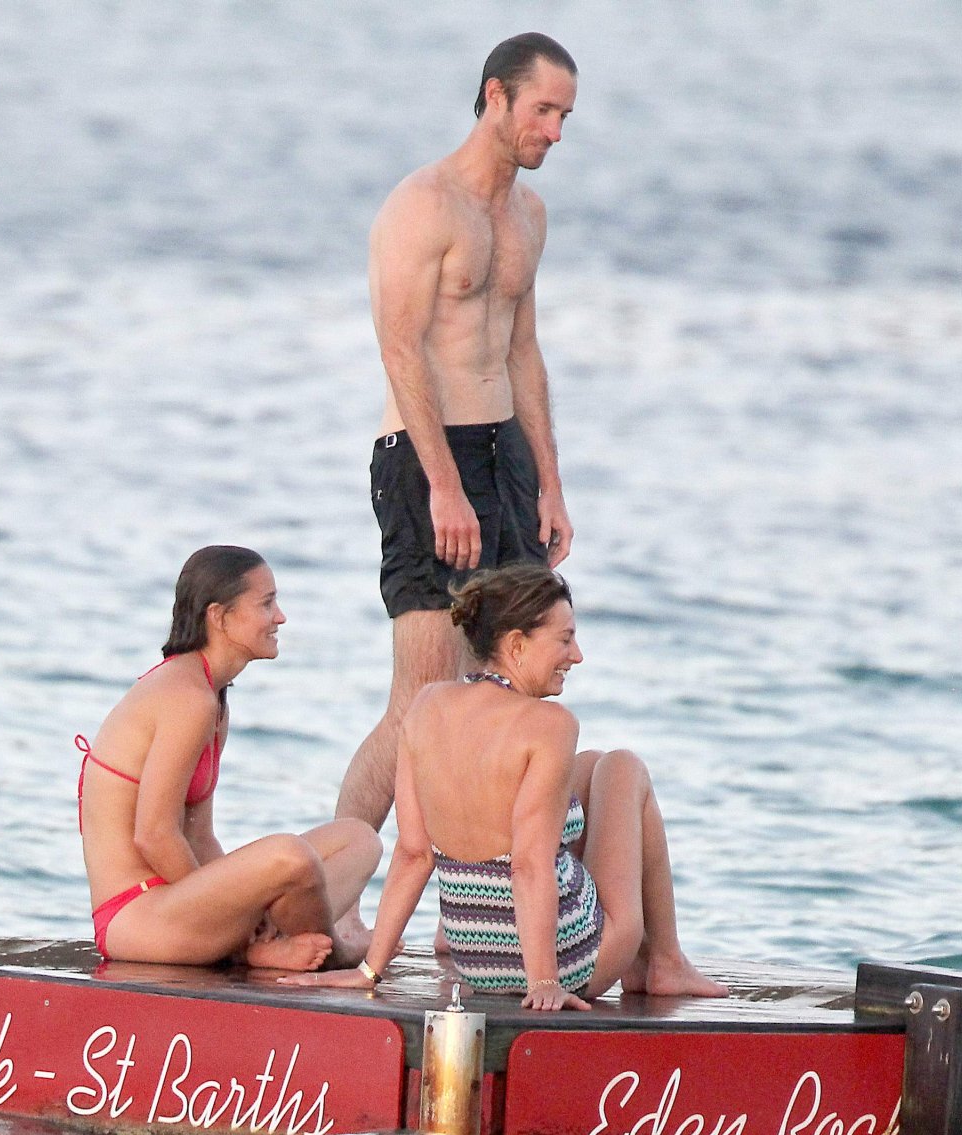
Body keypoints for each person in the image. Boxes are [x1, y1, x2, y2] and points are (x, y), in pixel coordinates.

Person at [335, 33, 581, 832]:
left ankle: (471, 891)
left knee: (503, 695)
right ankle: (333, 873)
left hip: (506, 457)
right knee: (422, 699)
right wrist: (443, 485)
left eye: (565, 116)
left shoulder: (527, 215)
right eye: (543, 110)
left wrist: (548, 483)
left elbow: (522, 351)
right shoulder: (423, 205)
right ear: (495, 96)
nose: (554, 131)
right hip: (424, 455)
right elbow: (400, 348)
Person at [288, 564, 727, 1011]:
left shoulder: (427, 706)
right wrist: (544, 982)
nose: (577, 656)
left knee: (590, 766)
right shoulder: (550, 725)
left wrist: (370, 971)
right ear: (516, 645)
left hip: (477, 961)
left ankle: (645, 961)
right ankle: (665, 961)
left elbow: (414, 854)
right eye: (565, 640)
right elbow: (529, 865)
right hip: (571, 959)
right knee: (622, 767)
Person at [76, 545, 381, 968]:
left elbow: (200, 835)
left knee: (358, 840)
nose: (280, 617)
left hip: (176, 905)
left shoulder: (212, 696)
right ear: (219, 617)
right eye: (267, 603)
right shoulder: (188, 697)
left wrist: (241, 907)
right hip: (137, 918)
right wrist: (233, 909)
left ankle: (268, 946)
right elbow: (154, 834)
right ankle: (333, 955)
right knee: (290, 855)